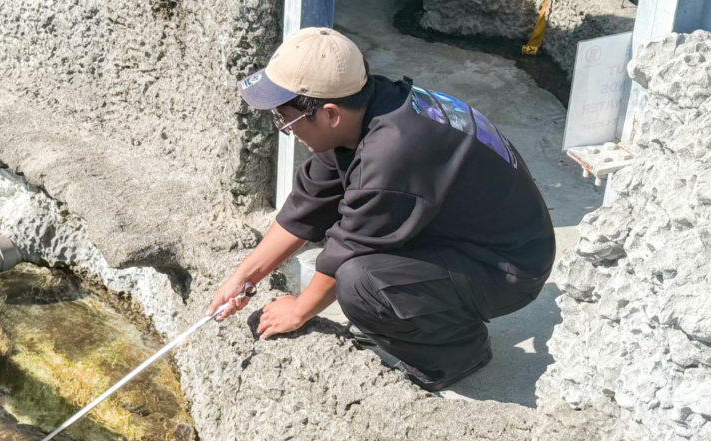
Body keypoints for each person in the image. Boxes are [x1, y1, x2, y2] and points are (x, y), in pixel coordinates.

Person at [207, 27, 555, 392]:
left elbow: (347, 251)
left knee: (360, 284)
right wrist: (244, 276)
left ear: (329, 114)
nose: (284, 128)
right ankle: (434, 318)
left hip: (509, 267)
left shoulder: (392, 153)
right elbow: (306, 207)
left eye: (285, 118)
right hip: (469, 235)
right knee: (361, 263)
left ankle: (458, 354)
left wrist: (299, 310)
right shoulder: (367, 104)